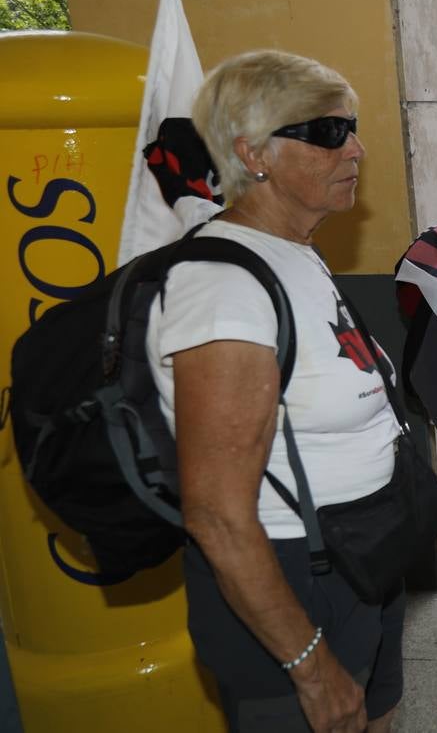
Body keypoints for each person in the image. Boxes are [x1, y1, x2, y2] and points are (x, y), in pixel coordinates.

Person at [147, 50, 404, 732]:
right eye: (327, 134)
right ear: (252, 154)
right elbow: (219, 515)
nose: (356, 149)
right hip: (292, 585)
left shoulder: (293, 249)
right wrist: (312, 668)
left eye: (351, 128)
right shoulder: (223, 288)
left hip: (355, 559)